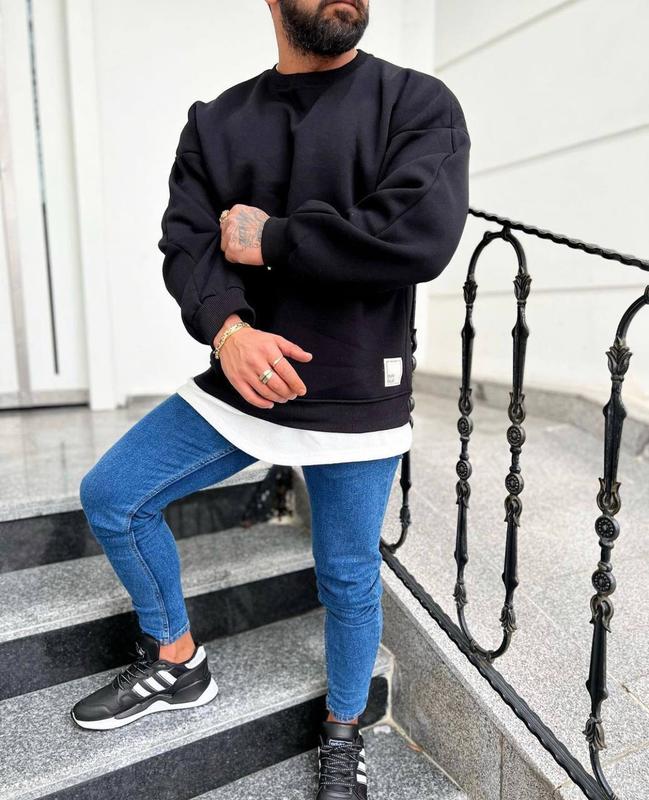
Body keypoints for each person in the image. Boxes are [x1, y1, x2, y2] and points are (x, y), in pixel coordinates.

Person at [71, 0, 470, 797]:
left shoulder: (415, 102)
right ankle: (177, 659)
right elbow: (187, 242)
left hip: (356, 389)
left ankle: (343, 729)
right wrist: (228, 330)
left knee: (346, 577)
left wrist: (276, 239)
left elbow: (417, 234)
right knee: (114, 495)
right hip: (242, 375)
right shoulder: (217, 121)